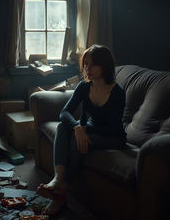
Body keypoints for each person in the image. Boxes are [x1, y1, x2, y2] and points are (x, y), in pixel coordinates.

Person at [37, 44, 127, 216]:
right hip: (90, 129)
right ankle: (57, 179)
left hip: (113, 137)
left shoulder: (117, 92)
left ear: (105, 65)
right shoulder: (84, 86)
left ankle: (60, 194)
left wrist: (84, 132)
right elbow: (64, 112)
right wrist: (78, 127)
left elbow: (113, 128)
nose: (88, 68)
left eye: (93, 64)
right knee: (64, 126)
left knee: (76, 140)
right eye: (85, 64)